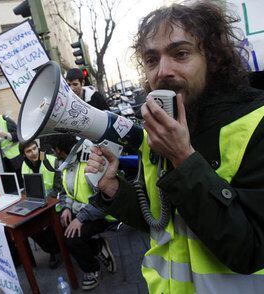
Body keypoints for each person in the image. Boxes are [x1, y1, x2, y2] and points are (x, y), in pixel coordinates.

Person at [86, 2, 264, 293]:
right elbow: (160, 221)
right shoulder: (157, 135)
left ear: (214, 59)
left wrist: (184, 158)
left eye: (180, 54)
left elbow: (251, 249)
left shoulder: (257, 123)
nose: (163, 71)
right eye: (151, 60)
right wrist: (114, 190)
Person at [48, 134, 116, 290]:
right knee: (57, 227)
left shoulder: (91, 162)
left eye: (53, 150)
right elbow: (67, 191)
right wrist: (66, 208)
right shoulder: (67, 163)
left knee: (72, 239)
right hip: (83, 212)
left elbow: (104, 199)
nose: (52, 153)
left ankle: (92, 269)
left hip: (102, 214)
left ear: (58, 150)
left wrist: (79, 218)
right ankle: (98, 247)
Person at [19, 140, 62, 269]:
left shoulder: (51, 160)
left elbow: (59, 187)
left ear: (38, 148)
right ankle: (53, 250)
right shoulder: (24, 165)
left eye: (35, 148)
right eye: (29, 151)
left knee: (48, 227)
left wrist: (45, 197)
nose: (33, 153)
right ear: (24, 154)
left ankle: (55, 251)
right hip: (37, 205)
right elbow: (27, 189)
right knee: (28, 228)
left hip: (56, 204)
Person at [0, 106, 23, 186]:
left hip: (16, 157)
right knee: (13, 184)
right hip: (4, 160)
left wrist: (6, 135)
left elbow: (18, 136)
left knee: (21, 181)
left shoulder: (6, 119)